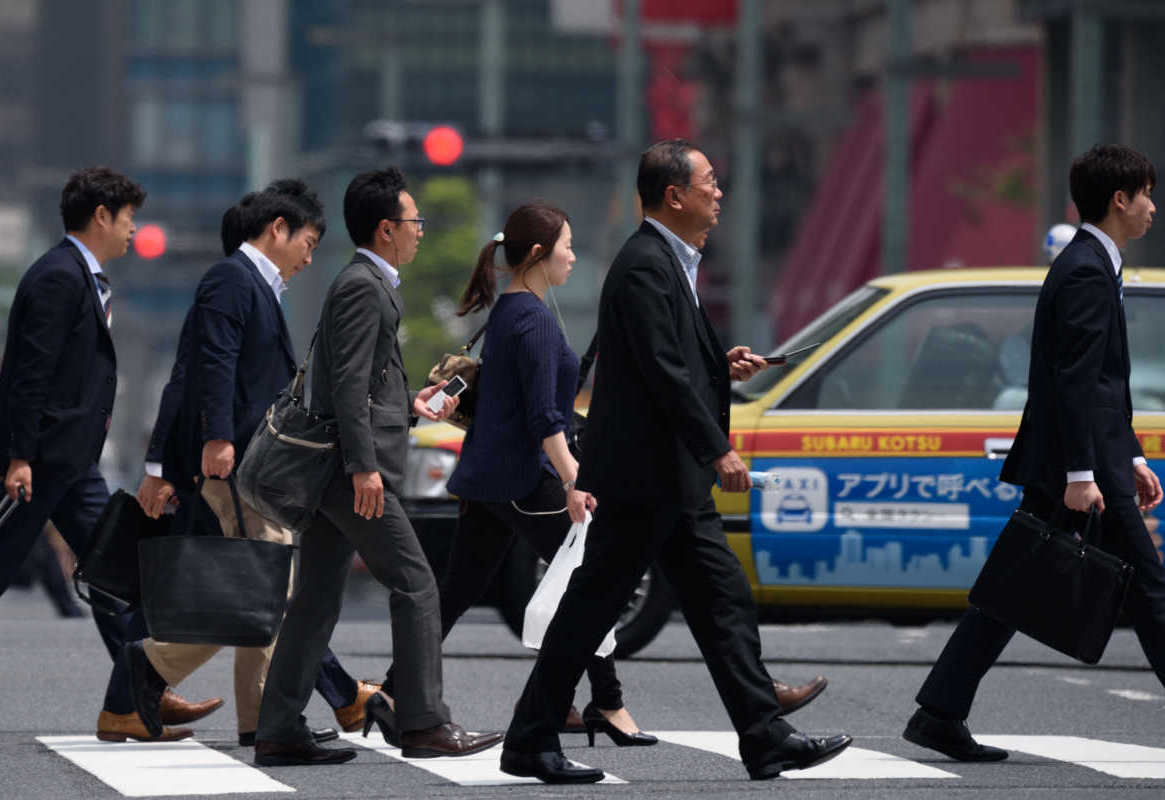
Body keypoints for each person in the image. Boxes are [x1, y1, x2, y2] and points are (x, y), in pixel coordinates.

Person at [499, 140, 852, 784]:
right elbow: (660, 372)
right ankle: (529, 739)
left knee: (723, 603)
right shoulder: (644, 265)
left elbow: (665, 360)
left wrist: (722, 363)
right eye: (709, 182)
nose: (720, 192)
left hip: (667, 479)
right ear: (674, 195)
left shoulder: (668, 261)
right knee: (593, 610)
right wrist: (717, 449)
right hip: (644, 478)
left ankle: (765, 737)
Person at [0, 167, 219, 740]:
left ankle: (141, 696)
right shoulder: (59, 278)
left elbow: (25, 373)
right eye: (129, 218)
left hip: (71, 464)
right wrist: (12, 458)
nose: (134, 230)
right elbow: (27, 376)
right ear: (101, 217)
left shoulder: (77, 277)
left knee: (117, 573)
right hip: (42, 465)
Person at [905, 144, 1165, 761]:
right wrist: (1084, 472)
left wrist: (1127, 454)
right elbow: (1073, 381)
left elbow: (1101, 383)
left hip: (1092, 460)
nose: (1154, 207)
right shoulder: (1083, 269)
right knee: (1151, 588)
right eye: (1147, 194)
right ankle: (939, 711)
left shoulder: (1095, 264)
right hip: (1079, 467)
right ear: (1119, 200)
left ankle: (940, 711)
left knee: (1013, 586)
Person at [252, 166, 499, 766]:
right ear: (386, 229)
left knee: (314, 598)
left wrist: (408, 405)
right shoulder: (366, 285)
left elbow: (361, 382)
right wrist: (365, 468)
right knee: (416, 584)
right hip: (348, 472)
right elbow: (348, 386)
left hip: (338, 467)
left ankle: (279, 730)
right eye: (414, 221)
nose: (419, 230)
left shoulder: (366, 281)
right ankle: (422, 722)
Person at [116, 180, 377, 745]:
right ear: (277, 228)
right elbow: (212, 364)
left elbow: (194, 373)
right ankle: (158, 669)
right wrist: (215, 439)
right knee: (268, 588)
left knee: (262, 591)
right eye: (307, 241)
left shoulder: (256, 286)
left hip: (253, 461)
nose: (310, 256)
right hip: (239, 462)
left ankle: (263, 716)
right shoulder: (232, 279)